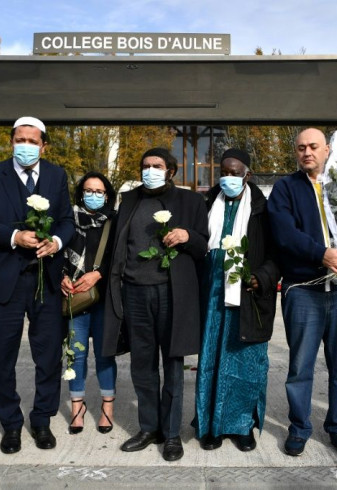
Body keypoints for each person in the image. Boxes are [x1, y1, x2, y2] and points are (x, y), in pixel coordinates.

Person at [266, 128, 337, 460]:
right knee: (300, 366)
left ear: (327, 149)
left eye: (313, 146)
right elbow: (284, 234)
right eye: (300, 148)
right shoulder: (285, 188)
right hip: (303, 291)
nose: (307, 152)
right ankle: (299, 428)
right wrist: (321, 254)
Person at [0, 116, 74, 454]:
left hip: (46, 280)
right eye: (19, 140)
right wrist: (13, 236)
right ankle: (11, 424)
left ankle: (41, 420)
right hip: (4, 281)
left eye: (32, 141)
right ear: (10, 142)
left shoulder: (57, 176)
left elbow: (67, 220)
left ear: (44, 146)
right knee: (2, 356)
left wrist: (56, 242)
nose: (25, 146)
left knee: (49, 356)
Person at [102, 147, 208, 462]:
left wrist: (187, 236)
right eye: (145, 165)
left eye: (157, 165)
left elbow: (203, 246)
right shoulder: (130, 200)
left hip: (172, 293)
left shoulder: (191, 202)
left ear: (171, 171)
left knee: (173, 364)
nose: (150, 170)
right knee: (142, 366)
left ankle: (172, 433)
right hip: (135, 292)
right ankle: (149, 427)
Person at [194, 149, 279, 452]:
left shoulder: (263, 210)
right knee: (211, 361)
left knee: (245, 363)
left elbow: (276, 254)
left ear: (248, 175)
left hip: (248, 296)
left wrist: (263, 277)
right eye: (224, 171)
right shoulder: (205, 205)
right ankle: (210, 425)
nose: (228, 177)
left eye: (235, 172)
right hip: (212, 296)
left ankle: (242, 426)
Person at [60, 171, 117, 435]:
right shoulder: (67, 220)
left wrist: (99, 273)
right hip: (75, 297)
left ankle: (107, 407)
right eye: (89, 191)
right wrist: (62, 276)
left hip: (104, 297)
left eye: (99, 192)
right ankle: (77, 407)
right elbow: (57, 254)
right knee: (76, 354)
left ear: (107, 195)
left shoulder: (114, 222)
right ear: (80, 192)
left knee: (105, 354)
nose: (93, 196)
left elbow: (119, 257)